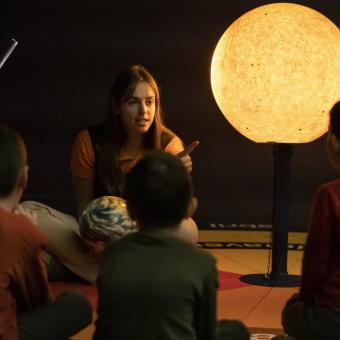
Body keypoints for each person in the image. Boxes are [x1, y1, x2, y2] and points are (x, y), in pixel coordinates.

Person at [22, 64, 198, 283]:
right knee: (27, 211)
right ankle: (121, 270)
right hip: (95, 237)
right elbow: (83, 210)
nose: (144, 111)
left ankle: (88, 267)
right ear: (116, 106)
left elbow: (168, 218)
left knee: (188, 230)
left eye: (150, 102)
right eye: (133, 102)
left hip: (139, 237)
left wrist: (174, 178)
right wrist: (95, 241)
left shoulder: (169, 145)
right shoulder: (88, 142)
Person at [94, 151, 250, 340]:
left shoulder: (112, 255)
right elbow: (206, 334)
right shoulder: (201, 264)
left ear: (131, 210)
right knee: (236, 330)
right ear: (190, 208)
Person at [0, 125, 92, 340]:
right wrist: (29, 236)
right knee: (76, 304)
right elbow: (37, 303)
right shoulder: (20, 230)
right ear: (24, 177)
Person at [280, 101, 340, 340]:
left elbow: (315, 264)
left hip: (333, 314)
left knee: (292, 312)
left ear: (334, 142)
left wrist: (305, 299)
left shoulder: (330, 195)